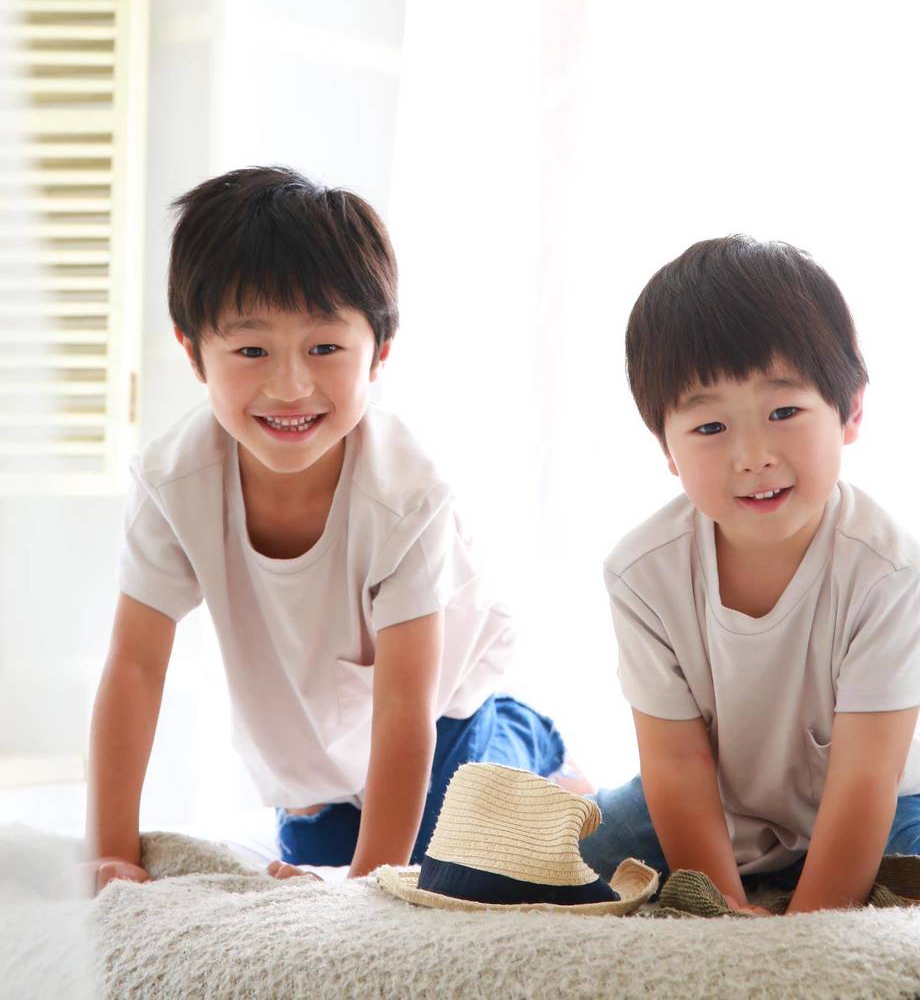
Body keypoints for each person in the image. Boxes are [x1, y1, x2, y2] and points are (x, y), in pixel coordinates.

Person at [87, 166, 569, 893]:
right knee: (312, 850)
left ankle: (531, 741)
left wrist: (370, 886)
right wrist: (110, 850)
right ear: (193, 354)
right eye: (251, 351)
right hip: (319, 760)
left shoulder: (406, 496)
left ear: (380, 350)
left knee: (459, 861)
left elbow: (407, 705)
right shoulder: (173, 483)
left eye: (324, 349)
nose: (290, 387)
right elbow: (134, 666)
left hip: (441, 718)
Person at [579, 235, 920, 912]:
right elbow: (676, 765)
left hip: (881, 796)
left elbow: (866, 778)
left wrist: (803, 931)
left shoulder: (892, 571)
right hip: (721, 799)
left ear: (850, 412)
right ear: (666, 446)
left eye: (783, 412)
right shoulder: (642, 574)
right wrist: (724, 910)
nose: (753, 456)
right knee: (553, 865)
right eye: (710, 428)